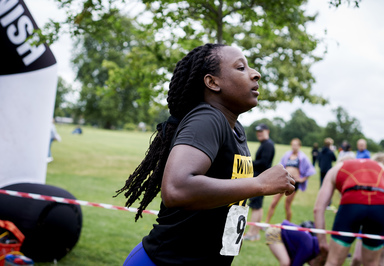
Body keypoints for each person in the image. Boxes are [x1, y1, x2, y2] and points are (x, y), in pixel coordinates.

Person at [115, 44, 296, 266]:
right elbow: (176, 189)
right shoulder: (207, 119)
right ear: (212, 82)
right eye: (241, 67)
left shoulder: (235, 128)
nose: (255, 74)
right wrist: (258, 184)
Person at [313, 153, 384, 266]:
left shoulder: (336, 169)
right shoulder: (379, 166)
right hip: (380, 206)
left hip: (351, 204)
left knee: (333, 261)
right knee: (372, 263)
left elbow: (318, 208)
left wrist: (322, 242)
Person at [266, 138, 315, 223]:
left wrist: (302, 179)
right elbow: (280, 165)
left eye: (296, 145)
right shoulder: (287, 155)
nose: (294, 147)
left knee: (287, 204)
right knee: (274, 202)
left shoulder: (303, 157)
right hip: (284, 181)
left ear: (299, 146)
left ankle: (287, 224)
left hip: (294, 183)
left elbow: (310, 170)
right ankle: (266, 223)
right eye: (292, 145)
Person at [244, 123, 275, 241]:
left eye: (261, 131)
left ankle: (252, 233)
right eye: (258, 132)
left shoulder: (267, 145)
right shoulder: (266, 144)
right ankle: (255, 233)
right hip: (263, 178)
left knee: (255, 206)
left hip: (261, 178)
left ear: (267, 131)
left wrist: (248, 163)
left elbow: (263, 162)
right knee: (258, 206)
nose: (259, 133)